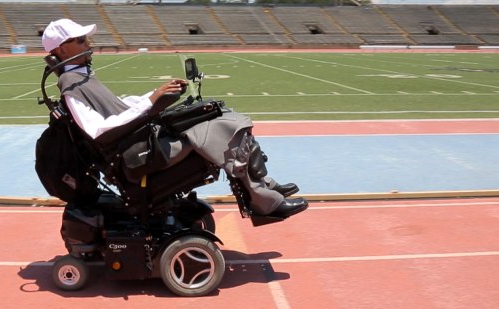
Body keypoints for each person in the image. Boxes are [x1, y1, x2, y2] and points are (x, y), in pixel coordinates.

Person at [42, 18, 308, 220]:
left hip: (139, 141)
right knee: (220, 126)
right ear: (63, 50)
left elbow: (119, 107)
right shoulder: (71, 84)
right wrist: (151, 102)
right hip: (134, 155)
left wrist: (156, 94)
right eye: (81, 41)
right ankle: (264, 202)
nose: (89, 45)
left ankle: (265, 186)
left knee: (220, 113)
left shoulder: (82, 77)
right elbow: (99, 130)